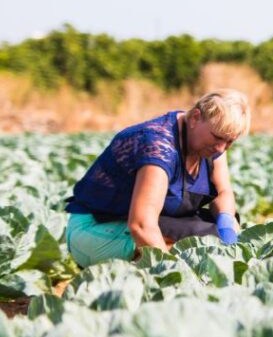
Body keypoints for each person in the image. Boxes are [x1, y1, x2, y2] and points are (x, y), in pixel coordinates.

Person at [64, 89, 251, 266]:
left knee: (222, 229)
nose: (221, 148)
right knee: (204, 243)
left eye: (230, 141)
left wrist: (227, 228)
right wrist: (172, 272)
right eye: (217, 137)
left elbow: (223, 192)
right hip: (96, 230)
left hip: (131, 223)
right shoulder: (159, 147)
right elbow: (140, 225)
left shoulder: (211, 142)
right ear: (195, 118)